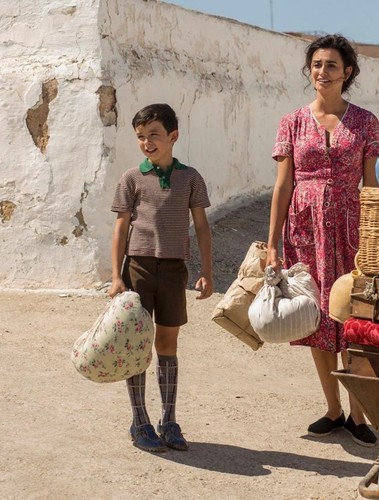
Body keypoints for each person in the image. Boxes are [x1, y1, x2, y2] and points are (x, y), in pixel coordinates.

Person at [267, 34, 379, 447]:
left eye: (331, 65)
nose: (322, 72)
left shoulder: (366, 122)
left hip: (353, 229)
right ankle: (333, 410)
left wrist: (376, 238)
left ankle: (358, 414)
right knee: (316, 318)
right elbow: (282, 186)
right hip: (304, 229)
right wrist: (273, 243)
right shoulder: (292, 122)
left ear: (347, 72)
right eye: (316, 64)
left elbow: (371, 186)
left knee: (354, 317)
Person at [109, 103, 214, 452]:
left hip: (173, 271)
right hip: (137, 268)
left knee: (167, 346)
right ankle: (139, 422)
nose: (147, 142)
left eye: (154, 134)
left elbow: (201, 226)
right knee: (137, 347)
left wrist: (207, 272)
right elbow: (121, 226)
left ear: (173, 136)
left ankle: (168, 420)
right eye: (140, 136)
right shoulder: (131, 178)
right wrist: (115, 276)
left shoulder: (190, 178)